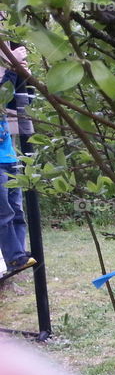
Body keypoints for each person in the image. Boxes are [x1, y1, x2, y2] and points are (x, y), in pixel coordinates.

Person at [0, 43, 34, 276]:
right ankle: (14, 258)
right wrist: (12, 66)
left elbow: (18, 102)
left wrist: (25, 77)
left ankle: (20, 254)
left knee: (16, 210)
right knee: (4, 213)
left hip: (9, 155)